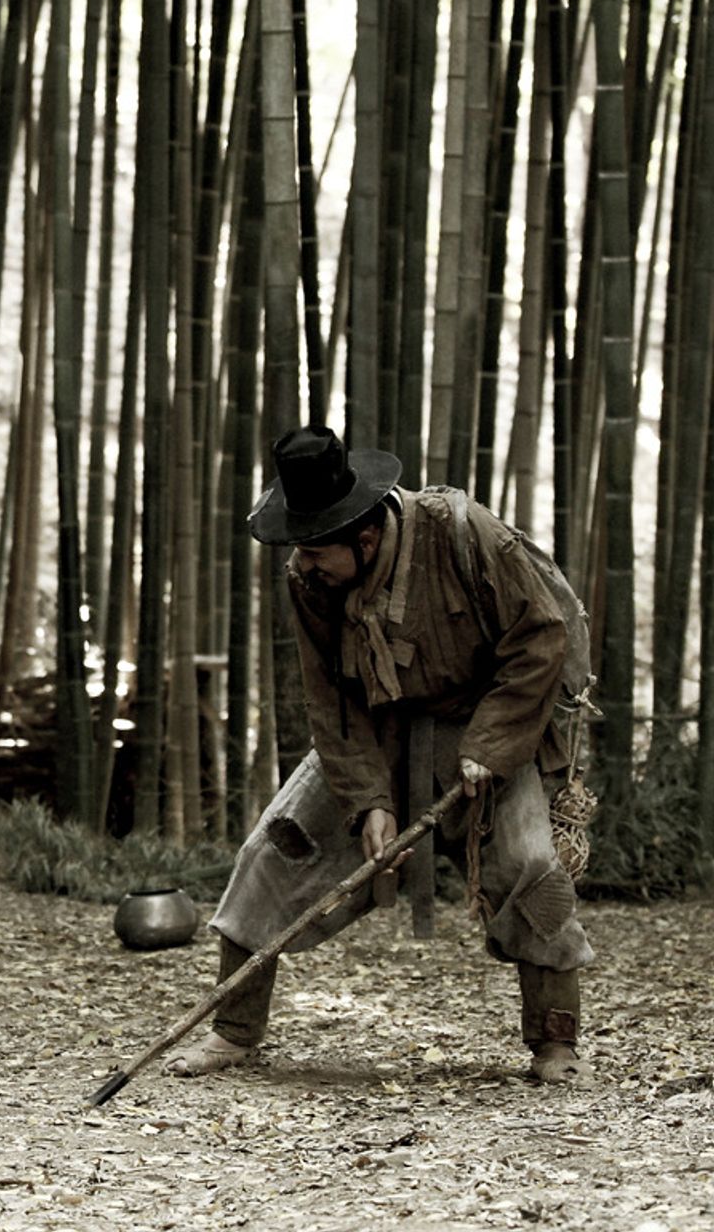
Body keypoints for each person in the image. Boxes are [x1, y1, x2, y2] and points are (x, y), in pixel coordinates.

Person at [164, 426, 593, 1085]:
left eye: (315, 550)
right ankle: (233, 1030)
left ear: (364, 538)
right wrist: (369, 800)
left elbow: (541, 638)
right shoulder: (310, 580)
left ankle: (555, 1041)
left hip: (487, 728)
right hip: (374, 732)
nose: (303, 563)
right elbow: (330, 702)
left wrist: (490, 746)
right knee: (268, 854)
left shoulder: (464, 533)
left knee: (532, 868)